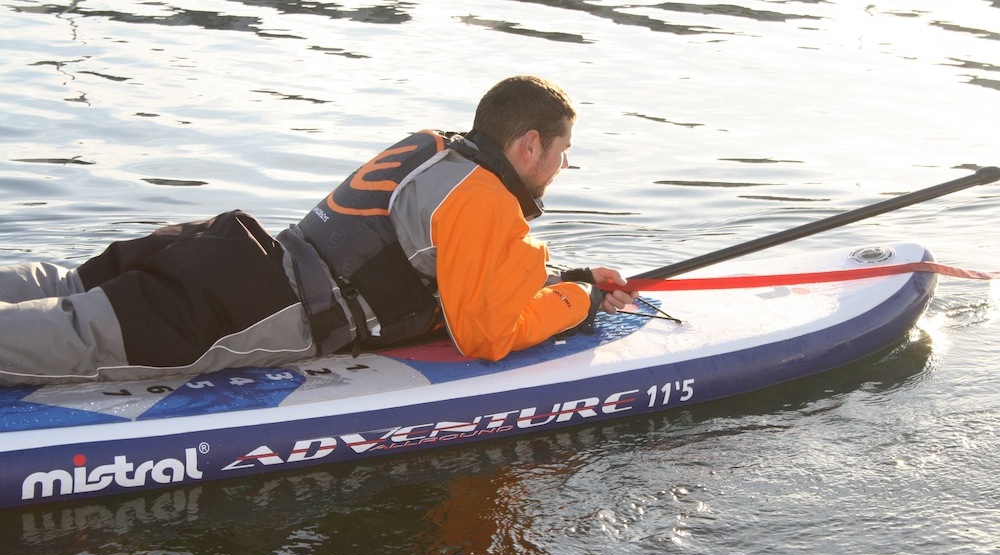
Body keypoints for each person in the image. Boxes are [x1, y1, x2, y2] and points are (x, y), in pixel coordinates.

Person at [0, 76, 637, 386]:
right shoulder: (487, 203)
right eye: (562, 151)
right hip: (259, 310)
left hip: (236, 246)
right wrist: (577, 304)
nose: (562, 166)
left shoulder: (434, 149)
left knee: (71, 284)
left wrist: (567, 278)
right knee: (84, 337)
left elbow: (438, 261)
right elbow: (487, 336)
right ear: (529, 145)